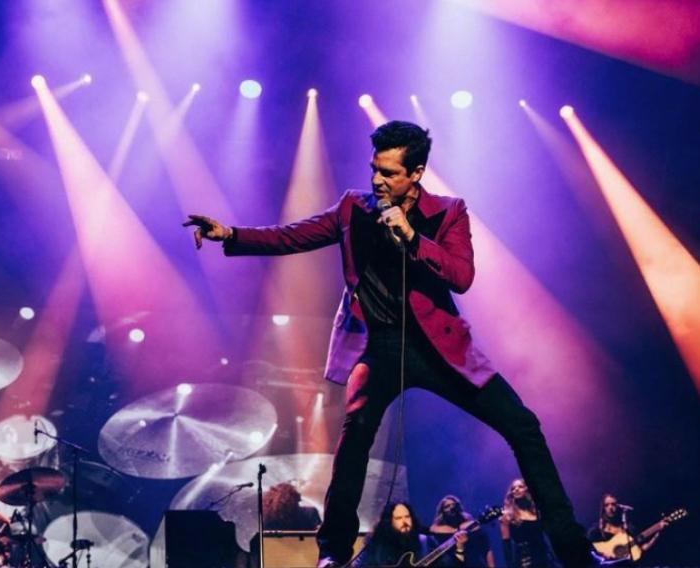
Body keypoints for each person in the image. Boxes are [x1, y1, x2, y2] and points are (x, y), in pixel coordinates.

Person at [183, 120, 594, 568]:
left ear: (416, 173)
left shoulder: (448, 212)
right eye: (374, 169)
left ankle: (575, 553)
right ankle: (332, 553)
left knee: (524, 427)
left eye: (389, 173)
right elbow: (293, 235)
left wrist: (414, 239)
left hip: (439, 351)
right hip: (376, 347)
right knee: (354, 440)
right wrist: (232, 235)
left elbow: (462, 276)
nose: (377, 180)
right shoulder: (352, 208)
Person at [353, 501, 437, 567]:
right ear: (389, 522)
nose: (405, 522)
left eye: (407, 516)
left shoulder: (424, 542)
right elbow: (358, 565)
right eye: (398, 518)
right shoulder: (376, 543)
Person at [587, 494, 663, 564]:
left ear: (618, 506)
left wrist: (657, 535)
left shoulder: (629, 528)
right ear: (603, 508)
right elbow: (586, 547)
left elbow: (641, 549)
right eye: (607, 505)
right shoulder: (597, 529)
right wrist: (601, 555)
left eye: (613, 504)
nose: (610, 507)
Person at [500, 478, 557, 568]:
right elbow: (506, 544)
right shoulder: (508, 515)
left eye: (520, 487)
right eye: (513, 488)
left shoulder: (536, 512)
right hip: (525, 559)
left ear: (527, 489)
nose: (516, 489)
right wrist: (509, 565)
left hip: (543, 556)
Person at [428, 495, 493, 567]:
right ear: (442, 511)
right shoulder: (437, 531)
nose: (451, 507)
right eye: (447, 506)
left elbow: (487, 549)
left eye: (454, 505)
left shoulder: (473, 526)